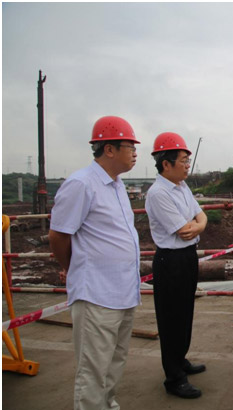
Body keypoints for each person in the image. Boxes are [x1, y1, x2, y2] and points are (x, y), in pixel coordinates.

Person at [48, 116, 141, 410]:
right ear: (109, 149)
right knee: (93, 369)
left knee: (115, 361)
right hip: (96, 294)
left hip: (123, 291)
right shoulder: (81, 184)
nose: (135, 153)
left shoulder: (117, 186)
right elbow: (58, 235)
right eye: (130, 147)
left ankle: (108, 404)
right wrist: (72, 268)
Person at [145, 132, 207, 399]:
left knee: (185, 312)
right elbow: (184, 231)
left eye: (187, 160)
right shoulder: (158, 193)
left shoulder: (182, 187)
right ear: (166, 164)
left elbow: (201, 216)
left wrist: (199, 225)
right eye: (183, 160)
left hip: (187, 258)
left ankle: (180, 360)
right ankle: (174, 378)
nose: (187, 165)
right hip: (170, 260)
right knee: (171, 318)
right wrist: (197, 225)